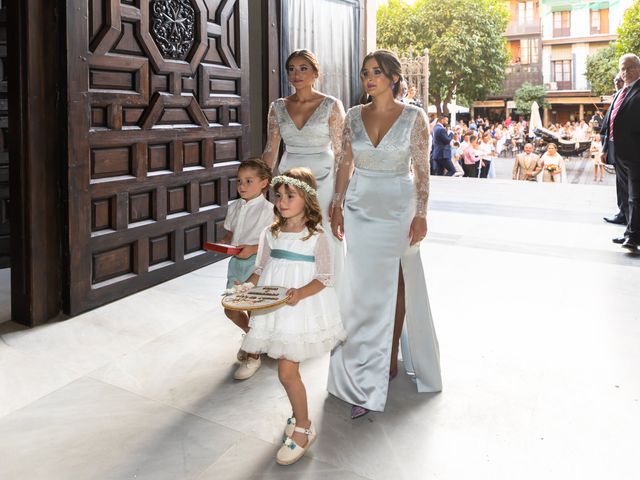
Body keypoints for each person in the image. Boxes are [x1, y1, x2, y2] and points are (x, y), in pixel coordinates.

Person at [328, 49, 442, 419]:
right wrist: (337, 203)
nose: (369, 78)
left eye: (376, 72)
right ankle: (359, 361)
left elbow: (422, 169)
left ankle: (389, 355)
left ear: (393, 78)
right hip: (360, 205)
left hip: (398, 204)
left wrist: (421, 213)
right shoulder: (352, 116)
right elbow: (344, 161)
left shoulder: (414, 117)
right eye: (365, 73)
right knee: (361, 286)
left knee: (394, 281)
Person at [239, 168, 346, 465]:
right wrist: (247, 288)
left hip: (299, 310)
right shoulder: (270, 232)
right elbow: (260, 270)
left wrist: (300, 292)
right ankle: (297, 416)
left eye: (290, 195)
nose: (282, 202)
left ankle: (303, 428)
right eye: (279, 195)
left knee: (287, 372)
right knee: (286, 373)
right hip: (274, 309)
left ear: (307, 198)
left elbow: (324, 277)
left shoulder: (316, 235)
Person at [262, 49, 346, 270]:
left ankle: (327, 286)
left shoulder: (332, 105)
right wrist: (260, 188)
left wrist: (339, 200)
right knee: (290, 228)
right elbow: (270, 150)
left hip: (324, 180)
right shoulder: (278, 107)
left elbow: (342, 155)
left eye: (303, 68)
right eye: (291, 69)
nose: (296, 74)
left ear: (315, 73)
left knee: (324, 230)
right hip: (288, 177)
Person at [221, 159, 275, 380]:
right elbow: (229, 236)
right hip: (236, 265)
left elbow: (272, 243)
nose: (242, 186)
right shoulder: (233, 207)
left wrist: (251, 249)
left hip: (256, 265)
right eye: (239, 181)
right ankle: (254, 339)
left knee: (253, 311)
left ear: (263, 183)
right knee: (231, 308)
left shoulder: (269, 210)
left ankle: (253, 356)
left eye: (248, 181)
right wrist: (223, 245)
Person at [600, 54, 640, 252]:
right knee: (625, 193)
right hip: (619, 149)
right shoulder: (620, 92)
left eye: (629, 68)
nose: (625, 72)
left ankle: (633, 237)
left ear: (638, 68)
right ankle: (628, 228)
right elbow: (610, 122)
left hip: (635, 152)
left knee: (636, 196)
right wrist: (606, 147)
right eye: (622, 68)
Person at [602, 72, 628, 226]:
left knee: (628, 186)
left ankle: (628, 217)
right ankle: (622, 212)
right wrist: (605, 148)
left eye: (618, 80)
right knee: (620, 184)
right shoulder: (617, 96)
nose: (616, 82)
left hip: (627, 148)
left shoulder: (629, 96)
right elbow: (607, 125)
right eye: (615, 80)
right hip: (614, 147)